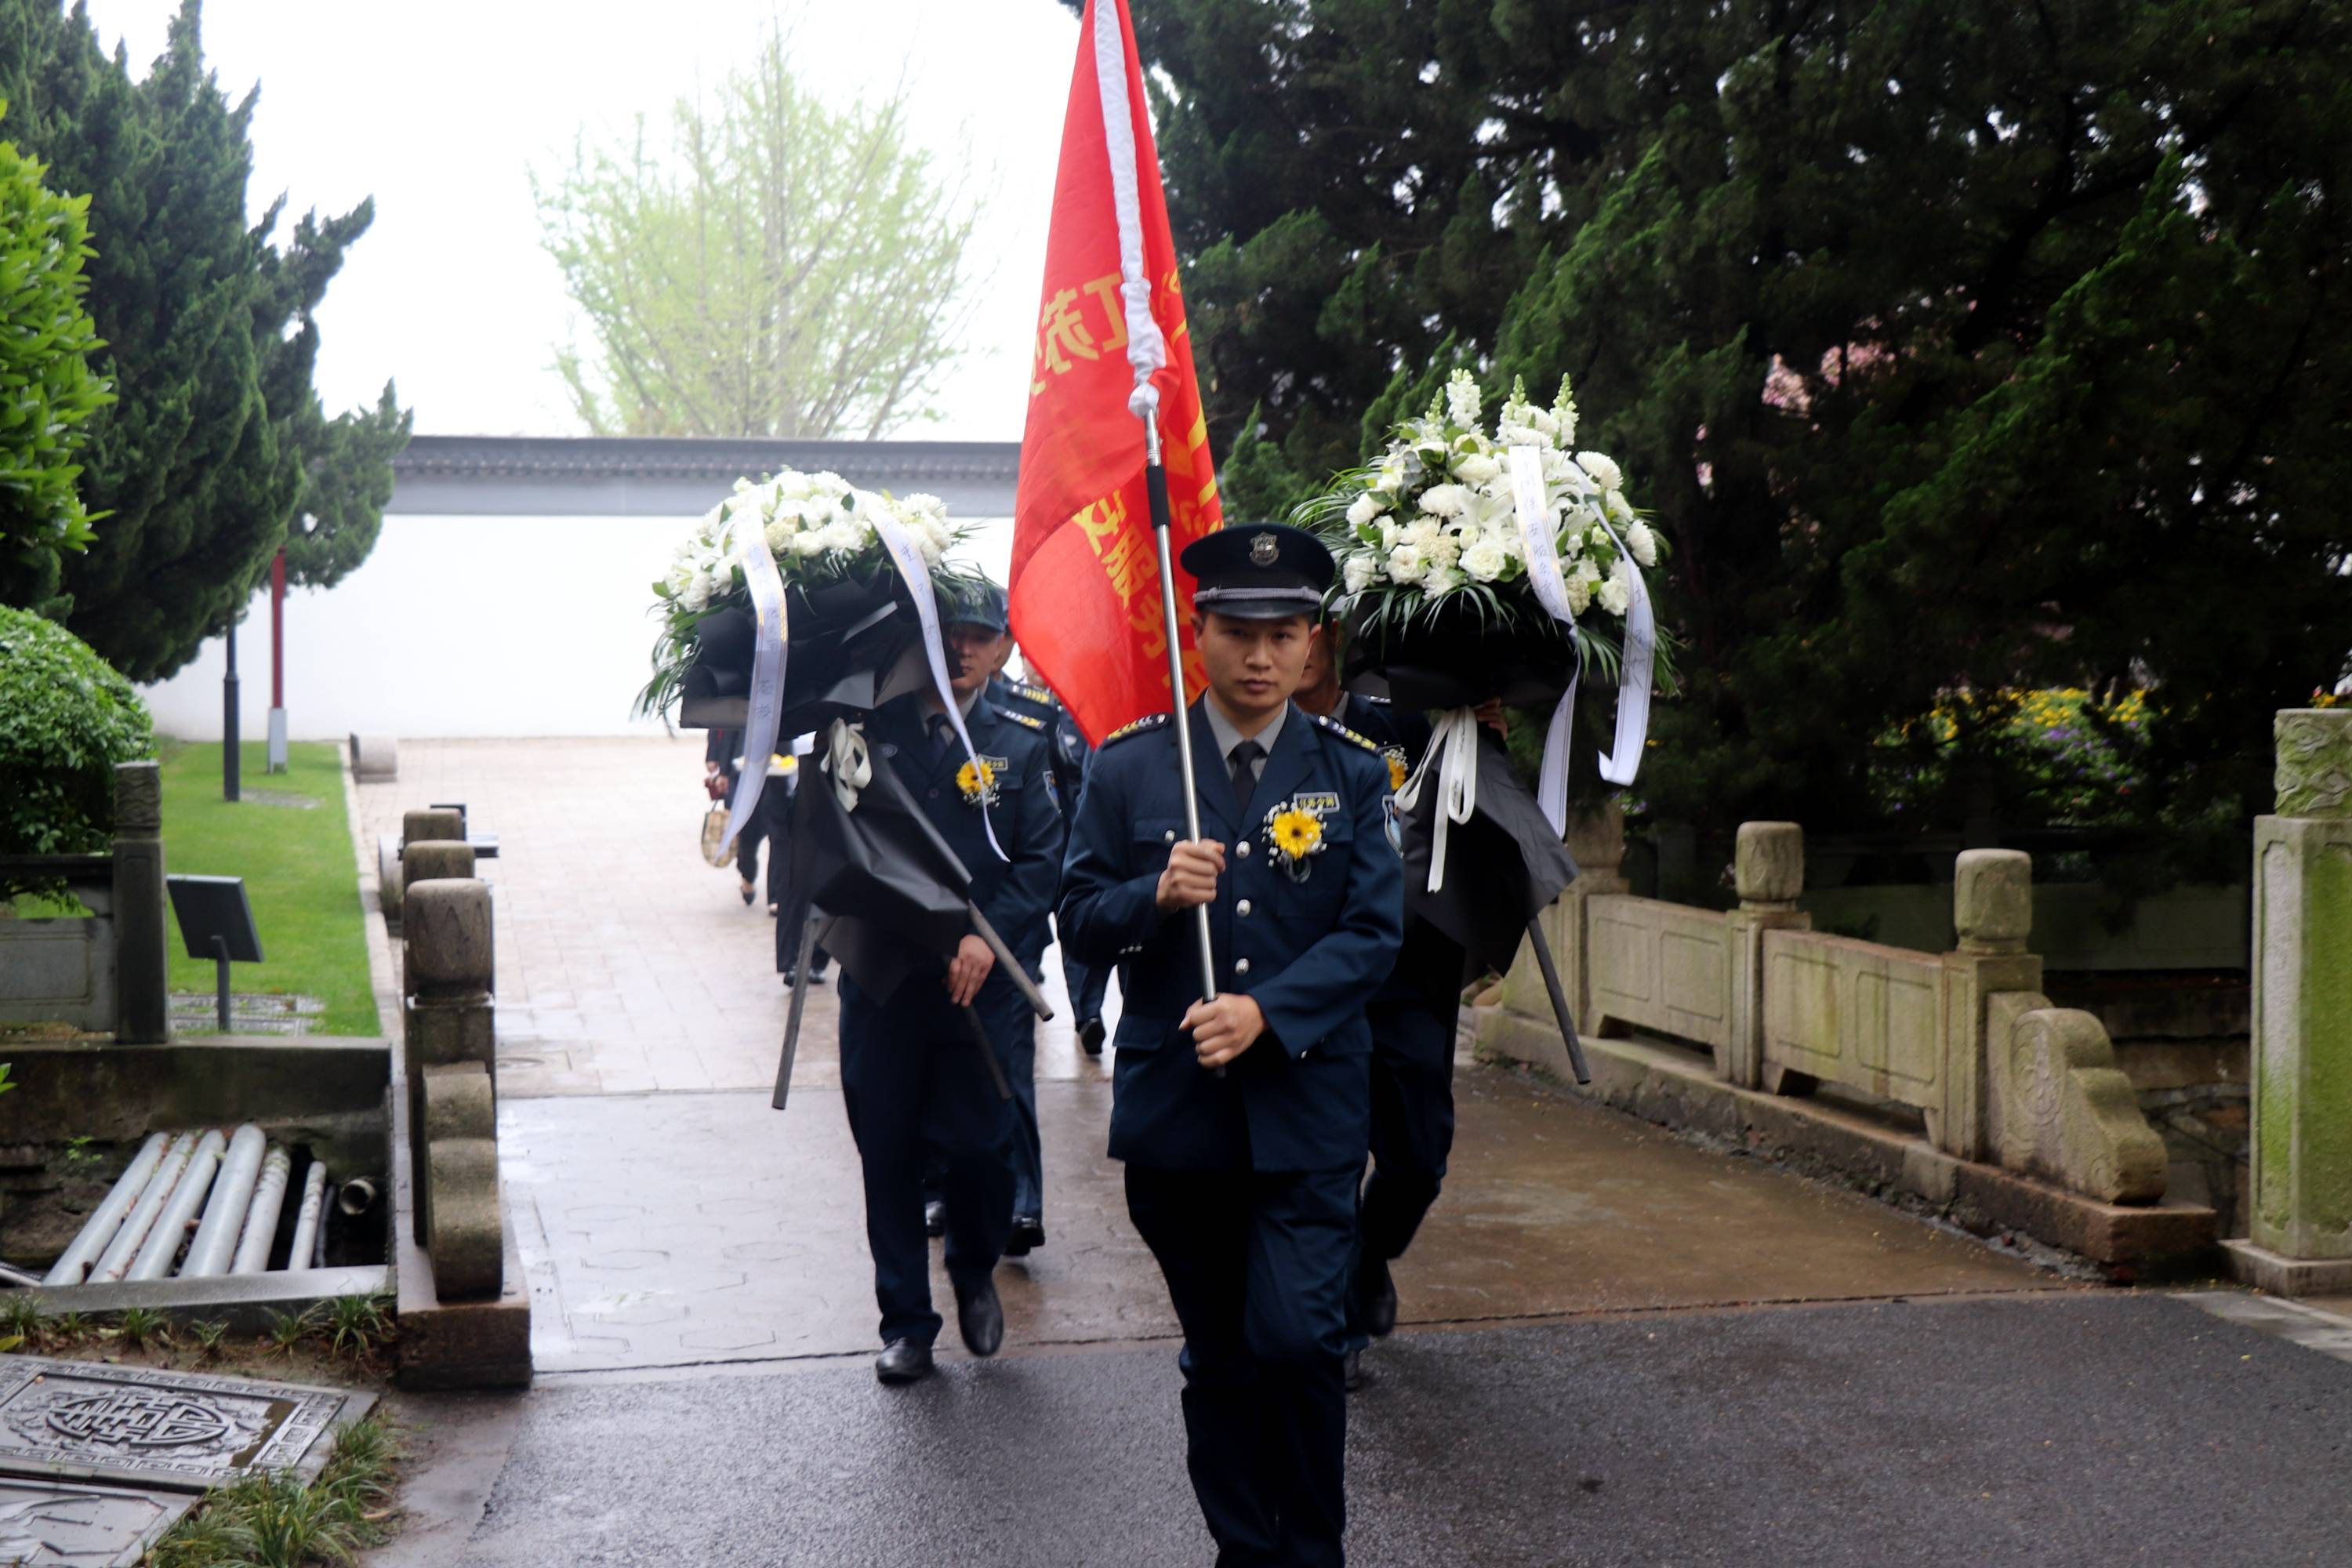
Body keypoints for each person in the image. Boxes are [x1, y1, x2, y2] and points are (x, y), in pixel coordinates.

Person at [1058, 523, 1402, 1568]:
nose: (1261, 656)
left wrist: (1271, 1013)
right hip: (1181, 1125)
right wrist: (1151, 897)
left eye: (1284, 634)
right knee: (1220, 1357)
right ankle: (1246, 1552)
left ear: (1313, 647)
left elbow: (1373, 934)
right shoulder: (1129, 769)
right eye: (1239, 632)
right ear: (1196, 632)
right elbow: (1075, 913)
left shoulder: (1349, 773)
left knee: (1298, 1343)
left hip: (1308, 1120)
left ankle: (1311, 1554)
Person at [837, 579, 1063, 1385]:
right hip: (886, 976)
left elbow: (1042, 861)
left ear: (1005, 647)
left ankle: (972, 1266)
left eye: (980, 635)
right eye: (948, 633)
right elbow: (836, 841)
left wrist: (984, 935)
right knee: (888, 1151)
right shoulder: (866, 729)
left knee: (981, 1150)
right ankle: (906, 1321)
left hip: (982, 987)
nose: (963, 649)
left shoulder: (1025, 739)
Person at [1294, 625, 1461, 1389]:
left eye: (1298, 631)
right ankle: (1338, 1319)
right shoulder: (1259, 740)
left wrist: (1482, 731)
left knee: (1418, 1158)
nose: (1283, 651)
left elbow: (1470, 806)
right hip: (1308, 978)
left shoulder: (1399, 722)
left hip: (1406, 973)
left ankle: (1368, 1253)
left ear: (1331, 640)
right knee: (1326, 1158)